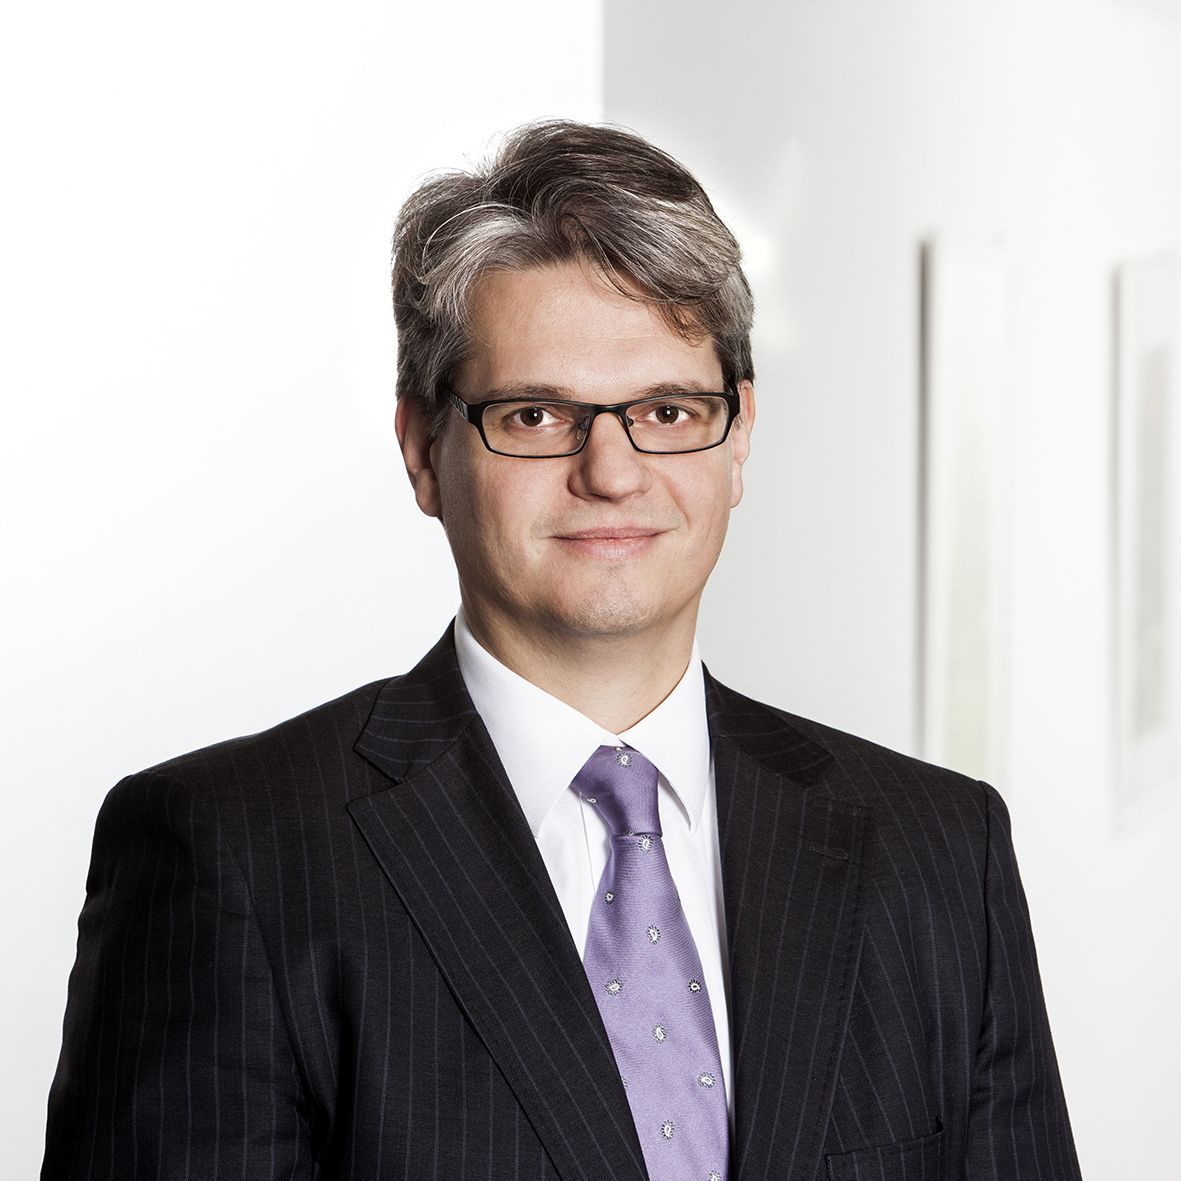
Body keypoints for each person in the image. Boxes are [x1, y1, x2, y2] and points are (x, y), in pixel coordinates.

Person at [42, 121, 1081, 1180]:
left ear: (737, 439)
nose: (612, 472)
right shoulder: (231, 852)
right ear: (423, 450)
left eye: (667, 409)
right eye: (536, 414)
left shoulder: (937, 850)